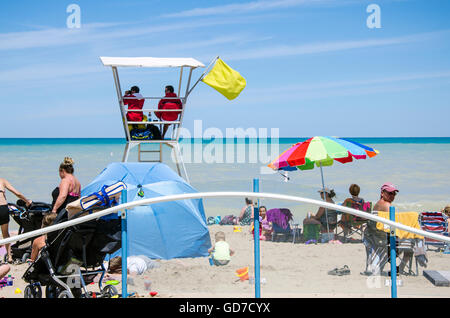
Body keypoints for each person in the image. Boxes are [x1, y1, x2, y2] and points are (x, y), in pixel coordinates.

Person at [0, 178, 32, 263]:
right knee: (5, 234)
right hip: (2, 208)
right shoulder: (2, 180)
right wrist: (27, 201)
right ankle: (10, 257)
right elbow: (17, 193)